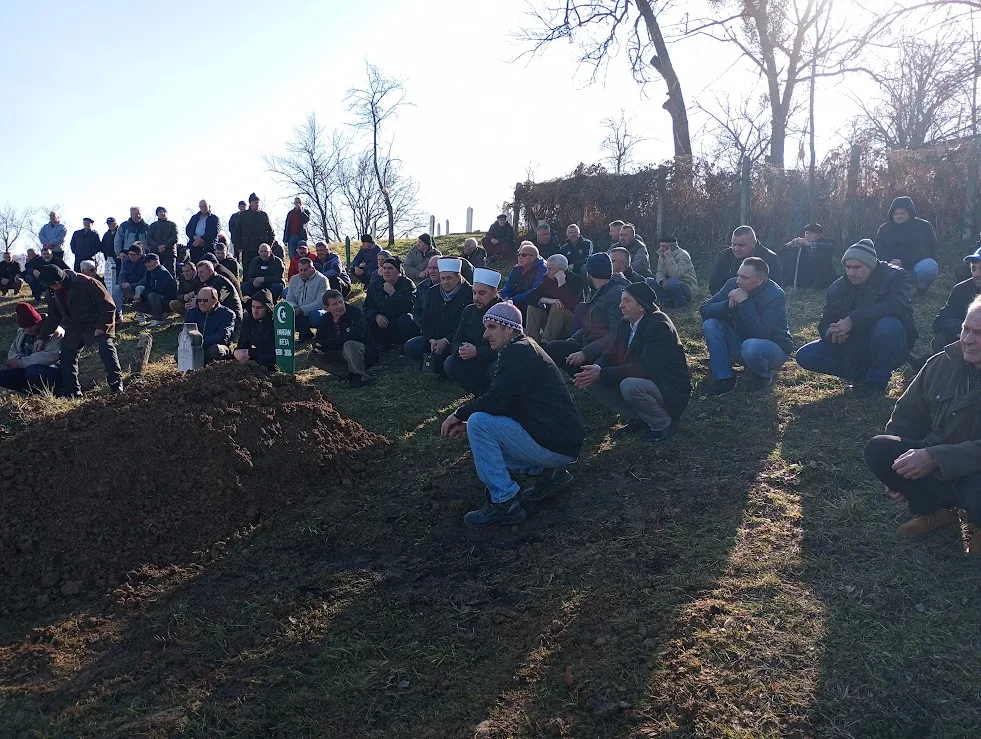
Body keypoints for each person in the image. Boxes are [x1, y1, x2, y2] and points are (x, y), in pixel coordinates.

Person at [440, 302, 585, 527]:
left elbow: (497, 400)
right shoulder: (522, 348)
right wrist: (466, 419)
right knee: (480, 432)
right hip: (560, 440)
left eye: (491, 327)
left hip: (557, 441)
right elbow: (504, 401)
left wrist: (460, 414)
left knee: (479, 424)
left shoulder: (519, 351)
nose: (485, 334)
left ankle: (504, 502)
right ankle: (551, 474)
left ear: (509, 328)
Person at [862, 295, 981, 553]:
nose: (968, 339)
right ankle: (936, 513)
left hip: (973, 468)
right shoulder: (941, 363)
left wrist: (936, 457)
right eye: (966, 329)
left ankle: (978, 524)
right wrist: (896, 474)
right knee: (879, 449)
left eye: (979, 333)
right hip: (938, 461)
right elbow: (906, 417)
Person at [795, 240, 917, 398]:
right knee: (805, 355)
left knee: (887, 325)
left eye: (857, 267)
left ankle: (877, 382)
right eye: (848, 267)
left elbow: (896, 306)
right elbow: (825, 322)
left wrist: (852, 319)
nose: (851, 272)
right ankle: (861, 375)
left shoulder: (895, 275)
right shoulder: (837, 287)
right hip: (854, 345)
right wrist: (832, 332)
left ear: (871, 266)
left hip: (892, 343)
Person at [573, 281, 690, 443]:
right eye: (621, 300)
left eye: (627, 301)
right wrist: (597, 367)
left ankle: (662, 423)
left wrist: (604, 373)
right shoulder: (626, 322)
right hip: (645, 380)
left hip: (668, 388)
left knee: (629, 385)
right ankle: (638, 417)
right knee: (590, 380)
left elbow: (647, 368)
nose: (621, 305)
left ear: (641, 306)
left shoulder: (659, 325)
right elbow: (612, 352)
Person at [700, 256, 793, 395]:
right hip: (742, 343)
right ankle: (724, 378)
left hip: (773, 349)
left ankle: (763, 376)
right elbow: (705, 310)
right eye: (738, 275)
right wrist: (727, 305)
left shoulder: (775, 295)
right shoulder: (733, 284)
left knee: (750, 346)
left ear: (760, 280)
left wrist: (744, 303)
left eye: (745, 278)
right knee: (711, 324)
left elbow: (762, 333)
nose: (739, 281)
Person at [36, 264, 123, 396]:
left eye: (52, 285)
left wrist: (102, 327)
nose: (51, 288)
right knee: (66, 354)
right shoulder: (52, 292)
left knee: (106, 346)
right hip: (74, 326)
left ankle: (116, 383)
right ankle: (73, 392)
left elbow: (108, 305)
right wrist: (42, 337)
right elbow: (54, 316)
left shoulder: (86, 282)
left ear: (59, 280)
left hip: (95, 322)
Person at [545, 252, 630, 376]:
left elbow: (616, 334)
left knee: (554, 350)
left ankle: (591, 382)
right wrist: (573, 339)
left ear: (590, 273)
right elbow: (590, 325)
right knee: (554, 347)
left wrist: (585, 353)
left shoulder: (616, 295)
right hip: (591, 344)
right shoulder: (601, 291)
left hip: (604, 354)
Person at [403, 258, 473, 374]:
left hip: (456, 340)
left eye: (449, 278)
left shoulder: (469, 293)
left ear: (458, 277)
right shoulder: (433, 292)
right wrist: (431, 339)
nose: (445, 282)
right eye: (443, 278)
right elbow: (426, 319)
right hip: (434, 340)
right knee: (411, 346)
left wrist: (446, 340)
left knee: (458, 354)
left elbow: (467, 324)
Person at [446, 268, 503, 396]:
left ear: (494, 292)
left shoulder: (504, 312)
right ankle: (480, 395)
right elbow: (456, 339)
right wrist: (460, 350)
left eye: (482, 293)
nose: (476, 298)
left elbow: (507, 351)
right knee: (451, 363)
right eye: (474, 293)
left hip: (494, 361)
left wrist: (477, 352)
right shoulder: (469, 310)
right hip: (472, 359)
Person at [309, 289, 378, 387]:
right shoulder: (325, 319)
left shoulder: (355, 312)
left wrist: (328, 344)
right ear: (327, 308)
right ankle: (345, 374)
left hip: (364, 352)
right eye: (334, 304)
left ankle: (360, 376)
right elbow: (320, 339)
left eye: (340, 302)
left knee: (349, 344)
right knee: (312, 355)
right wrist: (318, 346)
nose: (339, 306)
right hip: (340, 354)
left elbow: (357, 336)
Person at [874, 195, 939, 293]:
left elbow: (929, 250)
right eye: (895, 214)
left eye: (902, 213)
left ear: (909, 213)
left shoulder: (924, 227)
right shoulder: (884, 229)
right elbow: (878, 249)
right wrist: (889, 262)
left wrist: (904, 262)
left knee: (929, 266)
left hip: (914, 267)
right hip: (889, 266)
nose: (898, 216)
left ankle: (922, 288)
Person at [0, 302, 63, 394]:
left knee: (33, 371)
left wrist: (21, 363)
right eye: (25, 327)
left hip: (52, 369)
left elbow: (51, 356)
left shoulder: (55, 332)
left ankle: (55, 391)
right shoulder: (22, 332)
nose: (29, 329)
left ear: (39, 321)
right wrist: (17, 359)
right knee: (3, 375)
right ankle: (31, 392)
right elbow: (14, 349)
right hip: (27, 367)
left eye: (32, 325)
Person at [526, 254, 584, 344]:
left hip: (569, 322)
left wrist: (561, 283)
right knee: (533, 308)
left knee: (557, 306)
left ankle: (546, 341)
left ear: (560, 270)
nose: (547, 272)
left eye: (550, 269)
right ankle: (531, 341)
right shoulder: (548, 279)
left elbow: (569, 302)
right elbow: (530, 296)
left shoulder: (576, 280)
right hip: (551, 321)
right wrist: (547, 300)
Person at [932, 247, 981, 352]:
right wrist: (966, 328)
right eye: (974, 268)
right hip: (965, 342)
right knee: (941, 339)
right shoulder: (961, 289)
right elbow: (939, 322)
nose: (977, 274)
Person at [708, 226, 784, 294]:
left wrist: (745, 300)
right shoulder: (724, 256)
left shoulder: (770, 259)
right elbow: (714, 285)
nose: (736, 249)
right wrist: (730, 299)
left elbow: (775, 290)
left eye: (741, 245)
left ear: (754, 243)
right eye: (733, 244)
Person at [363, 256, 415, 350]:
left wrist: (393, 294)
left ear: (398, 272)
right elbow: (366, 307)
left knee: (407, 319)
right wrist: (376, 315)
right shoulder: (375, 285)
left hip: (398, 325)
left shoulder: (407, 284)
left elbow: (409, 306)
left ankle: (403, 345)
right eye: (384, 268)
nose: (386, 271)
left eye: (390, 268)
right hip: (382, 324)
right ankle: (378, 344)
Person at [183, 287, 235, 363]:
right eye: (199, 300)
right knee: (179, 354)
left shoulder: (227, 314)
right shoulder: (191, 313)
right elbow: (185, 333)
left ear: (215, 300)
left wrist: (200, 341)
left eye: (205, 300)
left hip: (214, 347)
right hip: (194, 347)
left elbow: (222, 337)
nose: (201, 303)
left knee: (215, 350)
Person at [780, 223, 837, 291]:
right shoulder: (801, 244)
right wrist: (791, 244)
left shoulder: (828, 243)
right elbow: (781, 250)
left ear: (819, 235)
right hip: (802, 275)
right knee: (789, 255)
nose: (808, 236)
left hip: (821, 277)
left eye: (811, 233)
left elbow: (829, 247)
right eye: (806, 233)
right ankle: (789, 284)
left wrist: (809, 245)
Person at [285, 257, 328, 342]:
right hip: (297, 310)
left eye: (305, 270)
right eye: (300, 270)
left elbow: (321, 302)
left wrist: (302, 309)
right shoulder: (294, 279)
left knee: (316, 315)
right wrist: (294, 308)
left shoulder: (322, 280)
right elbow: (289, 298)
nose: (302, 273)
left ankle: (320, 335)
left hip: (315, 311)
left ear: (312, 269)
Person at [400, 255, 439, 345]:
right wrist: (422, 326)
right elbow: (416, 309)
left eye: (436, 268)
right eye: (430, 268)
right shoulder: (422, 286)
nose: (432, 271)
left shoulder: (448, 289)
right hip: (423, 325)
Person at [234, 288, 276, 370]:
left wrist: (249, 352)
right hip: (252, 355)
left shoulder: (274, 323)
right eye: (253, 307)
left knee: (265, 360)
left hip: (269, 357)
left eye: (259, 308)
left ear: (267, 308)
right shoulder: (248, 320)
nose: (255, 311)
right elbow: (243, 342)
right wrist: (237, 352)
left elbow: (272, 348)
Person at [652, 235, 698, 308]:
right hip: (667, 283)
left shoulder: (683, 256)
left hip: (686, 285)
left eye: (663, 246)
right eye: (660, 246)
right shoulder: (662, 255)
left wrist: (669, 258)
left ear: (671, 247)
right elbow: (659, 272)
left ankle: (680, 304)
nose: (661, 249)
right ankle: (666, 303)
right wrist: (661, 281)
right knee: (649, 282)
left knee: (672, 283)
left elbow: (675, 275)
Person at [232, 193, 275, 270]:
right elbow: (237, 231)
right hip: (247, 248)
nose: (257, 204)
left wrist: (268, 246)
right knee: (247, 270)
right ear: (250, 203)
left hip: (261, 249)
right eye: (255, 202)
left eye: (258, 202)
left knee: (261, 269)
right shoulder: (243, 215)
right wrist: (238, 246)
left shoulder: (263, 215)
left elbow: (271, 232)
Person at [133, 252, 177, 327]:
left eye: (149, 262)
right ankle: (141, 317)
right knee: (139, 293)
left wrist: (141, 296)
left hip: (168, 301)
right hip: (157, 299)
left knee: (152, 295)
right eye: (146, 262)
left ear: (156, 262)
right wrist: (139, 296)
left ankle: (159, 319)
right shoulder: (149, 272)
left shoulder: (163, 273)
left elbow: (157, 290)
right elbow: (147, 286)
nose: (147, 264)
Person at [500, 242, 547, 313]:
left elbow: (535, 290)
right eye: (519, 255)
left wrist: (512, 300)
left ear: (533, 257)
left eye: (523, 255)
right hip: (512, 301)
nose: (520, 257)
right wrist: (504, 299)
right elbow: (507, 288)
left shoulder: (542, 269)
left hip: (529, 304)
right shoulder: (516, 268)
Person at [196, 259, 243, 325]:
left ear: (211, 271)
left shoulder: (221, 282)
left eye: (202, 272)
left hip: (232, 318)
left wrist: (196, 303)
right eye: (198, 272)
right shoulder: (208, 281)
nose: (199, 275)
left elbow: (215, 303)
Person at [112, 243, 147, 322]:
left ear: (139, 254)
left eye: (133, 254)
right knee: (117, 288)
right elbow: (121, 275)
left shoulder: (145, 261)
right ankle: (118, 314)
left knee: (139, 288)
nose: (131, 256)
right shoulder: (126, 261)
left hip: (142, 287)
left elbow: (145, 280)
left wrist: (131, 285)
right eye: (130, 254)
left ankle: (140, 314)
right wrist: (122, 283)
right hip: (128, 287)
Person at [184, 200, 220, 264]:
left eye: (205, 206)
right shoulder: (194, 218)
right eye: (201, 206)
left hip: (208, 246)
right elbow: (188, 230)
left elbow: (214, 232)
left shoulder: (214, 218)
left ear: (209, 206)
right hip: (194, 245)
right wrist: (195, 237)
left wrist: (201, 240)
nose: (203, 208)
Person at [147, 206, 179, 274]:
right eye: (160, 212)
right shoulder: (153, 226)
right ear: (157, 214)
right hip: (156, 253)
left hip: (169, 252)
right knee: (155, 273)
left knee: (171, 273)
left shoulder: (172, 225)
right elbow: (149, 239)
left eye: (164, 211)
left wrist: (165, 246)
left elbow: (175, 237)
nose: (162, 213)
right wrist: (157, 247)